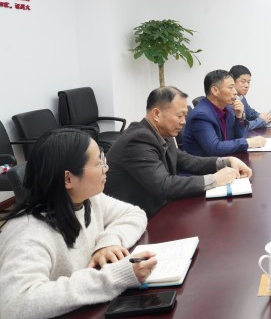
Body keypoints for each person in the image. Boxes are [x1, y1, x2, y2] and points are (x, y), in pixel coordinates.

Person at [0, 128, 157, 318]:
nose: (106, 168)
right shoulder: (27, 233)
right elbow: (17, 304)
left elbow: (134, 214)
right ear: (68, 178)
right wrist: (114, 277)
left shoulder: (88, 199)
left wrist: (109, 241)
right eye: (98, 163)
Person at [104, 86, 252, 217]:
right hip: (137, 219)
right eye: (179, 116)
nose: (183, 121)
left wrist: (227, 161)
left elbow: (184, 160)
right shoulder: (138, 139)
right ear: (156, 114)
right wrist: (215, 179)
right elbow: (164, 185)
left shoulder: (161, 132)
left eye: (185, 116)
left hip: (159, 210)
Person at [182, 70, 266, 156]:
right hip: (206, 163)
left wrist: (239, 117)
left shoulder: (228, 109)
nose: (235, 92)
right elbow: (214, 148)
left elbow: (239, 138)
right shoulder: (201, 115)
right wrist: (248, 142)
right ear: (215, 90)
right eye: (231, 88)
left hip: (225, 159)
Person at [230, 64, 271, 131]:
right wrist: (261, 121)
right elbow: (242, 126)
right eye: (243, 82)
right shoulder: (229, 101)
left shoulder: (241, 97)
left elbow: (249, 112)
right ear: (232, 81)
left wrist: (259, 115)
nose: (247, 85)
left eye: (248, 82)